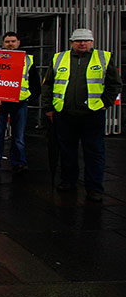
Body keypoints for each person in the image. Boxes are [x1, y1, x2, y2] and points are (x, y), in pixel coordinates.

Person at [41, 28, 122, 202]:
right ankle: (68, 181)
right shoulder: (59, 58)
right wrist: (48, 107)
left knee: (94, 151)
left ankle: (94, 187)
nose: (82, 43)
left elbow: (115, 84)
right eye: (78, 41)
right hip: (65, 113)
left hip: (92, 114)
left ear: (92, 42)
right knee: (67, 150)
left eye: (86, 40)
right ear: (71, 42)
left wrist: (105, 103)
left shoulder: (104, 57)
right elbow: (48, 84)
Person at [0, 32, 41, 174]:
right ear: (3, 43)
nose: (10, 44)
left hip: (19, 104)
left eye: (13, 41)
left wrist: (28, 97)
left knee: (18, 137)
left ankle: (19, 163)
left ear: (18, 42)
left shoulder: (28, 60)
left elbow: (35, 84)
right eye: (7, 41)